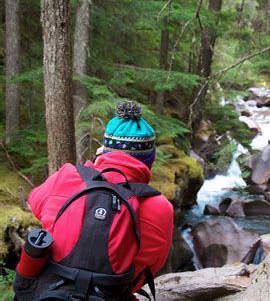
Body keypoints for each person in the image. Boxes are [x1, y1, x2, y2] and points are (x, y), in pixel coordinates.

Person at [14, 100, 174, 299]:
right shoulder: (161, 207)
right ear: (149, 160)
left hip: (48, 292)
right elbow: (154, 263)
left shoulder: (67, 176)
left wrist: (94, 167)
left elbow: (35, 203)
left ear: (105, 150)